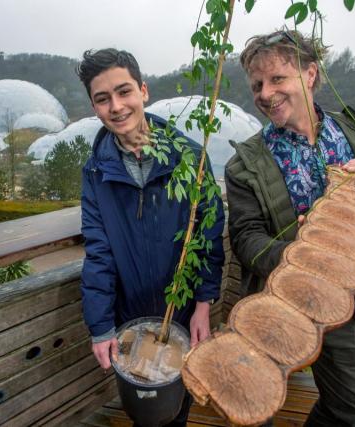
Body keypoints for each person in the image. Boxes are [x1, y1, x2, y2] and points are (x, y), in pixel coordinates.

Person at [225, 31, 355, 426]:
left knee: (350, 409)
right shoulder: (245, 164)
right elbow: (246, 240)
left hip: (342, 307)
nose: (265, 92)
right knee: (252, 405)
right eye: (257, 85)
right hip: (275, 305)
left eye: (277, 79)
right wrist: (300, 255)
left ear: (309, 74)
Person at [77, 48, 225, 426]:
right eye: (102, 98)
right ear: (94, 106)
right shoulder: (97, 173)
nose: (116, 106)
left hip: (183, 310)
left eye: (124, 91)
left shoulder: (190, 158)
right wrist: (100, 328)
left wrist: (204, 304)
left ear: (143, 91)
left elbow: (208, 232)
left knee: (180, 401)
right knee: (145, 408)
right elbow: (99, 252)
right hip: (132, 317)